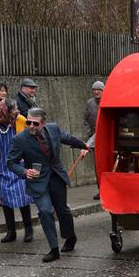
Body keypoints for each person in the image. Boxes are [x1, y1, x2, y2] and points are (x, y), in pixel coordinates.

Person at [7, 107, 89, 263]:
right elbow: (10, 162)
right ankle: (54, 249)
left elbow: (67, 138)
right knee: (45, 211)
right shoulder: (20, 140)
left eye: (35, 123)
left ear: (43, 123)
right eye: (28, 122)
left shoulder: (53, 129)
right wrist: (24, 171)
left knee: (62, 210)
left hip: (56, 177)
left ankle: (70, 237)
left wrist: (84, 146)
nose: (31, 126)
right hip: (37, 182)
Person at [0, 99, 33, 243]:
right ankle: (11, 231)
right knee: (5, 200)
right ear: (5, 111)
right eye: (14, 109)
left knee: (23, 197)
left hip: (18, 164)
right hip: (2, 166)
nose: (17, 111)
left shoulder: (19, 122)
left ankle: (28, 229)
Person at [84, 80, 105, 200]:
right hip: (94, 138)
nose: (96, 92)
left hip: (105, 136)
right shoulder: (90, 103)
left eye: (98, 90)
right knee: (97, 166)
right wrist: (89, 133)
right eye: (94, 90)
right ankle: (100, 189)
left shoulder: (107, 100)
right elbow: (86, 120)